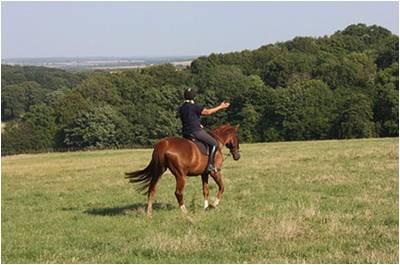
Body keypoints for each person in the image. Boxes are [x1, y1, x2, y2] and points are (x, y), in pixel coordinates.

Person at [178, 88, 230, 173]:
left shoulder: (182, 107)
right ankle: (210, 165)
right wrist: (221, 106)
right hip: (196, 132)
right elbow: (208, 112)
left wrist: (198, 124)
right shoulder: (195, 106)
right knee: (214, 143)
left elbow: (189, 118)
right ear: (194, 97)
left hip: (185, 133)